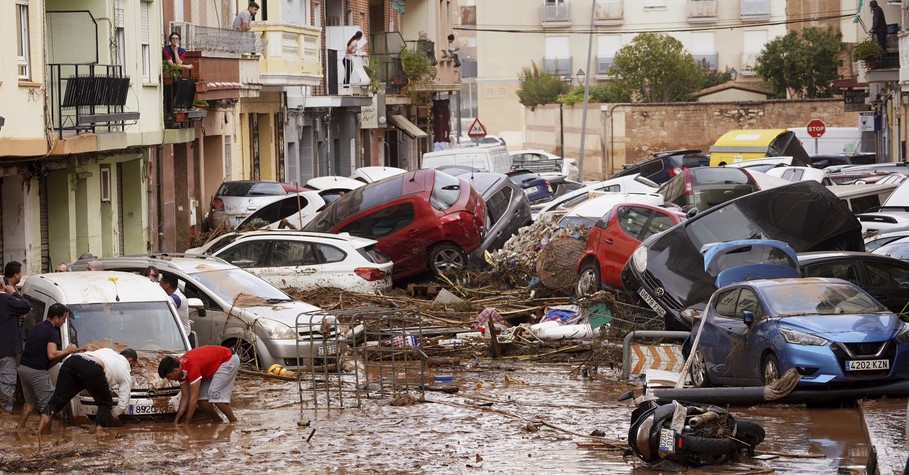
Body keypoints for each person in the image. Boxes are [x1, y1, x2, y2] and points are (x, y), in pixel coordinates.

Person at [37, 348, 137, 434]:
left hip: (72, 360)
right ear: (130, 361)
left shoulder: (109, 351)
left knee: (57, 399)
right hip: (92, 368)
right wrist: (112, 415)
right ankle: (100, 436)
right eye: (134, 365)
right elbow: (123, 403)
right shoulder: (125, 372)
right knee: (105, 403)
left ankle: (38, 433)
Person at [17, 303, 78, 429]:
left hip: (23, 368)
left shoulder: (37, 326)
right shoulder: (52, 332)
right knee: (49, 404)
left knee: (30, 401)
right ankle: (43, 435)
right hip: (36, 372)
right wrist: (67, 350)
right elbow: (52, 354)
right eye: (63, 319)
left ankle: (20, 428)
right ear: (56, 318)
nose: (64, 322)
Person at [158, 345, 239, 424]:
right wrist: (176, 420)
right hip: (214, 365)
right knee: (202, 399)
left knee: (215, 395)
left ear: (175, 371)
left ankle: (234, 421)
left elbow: (193, 398)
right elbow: (185, 396)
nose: (169, 379)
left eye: (169, 376)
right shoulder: (180, 371)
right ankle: (217, 420)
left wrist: (186, 423)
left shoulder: (192, 367)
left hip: (228, 359)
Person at [0, 261, 31, 413]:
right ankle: (6, 411)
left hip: (6, 348)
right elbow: (26, 306)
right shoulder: (7, 300)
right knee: (7, 382)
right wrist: (14, 293)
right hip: (7, 350)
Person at [160, 273, 193, 346]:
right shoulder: (177, 294)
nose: (159, 285)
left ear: (166, 285)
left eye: (161, 283)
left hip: (181, 338)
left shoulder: (174, 299)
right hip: (179, 335)